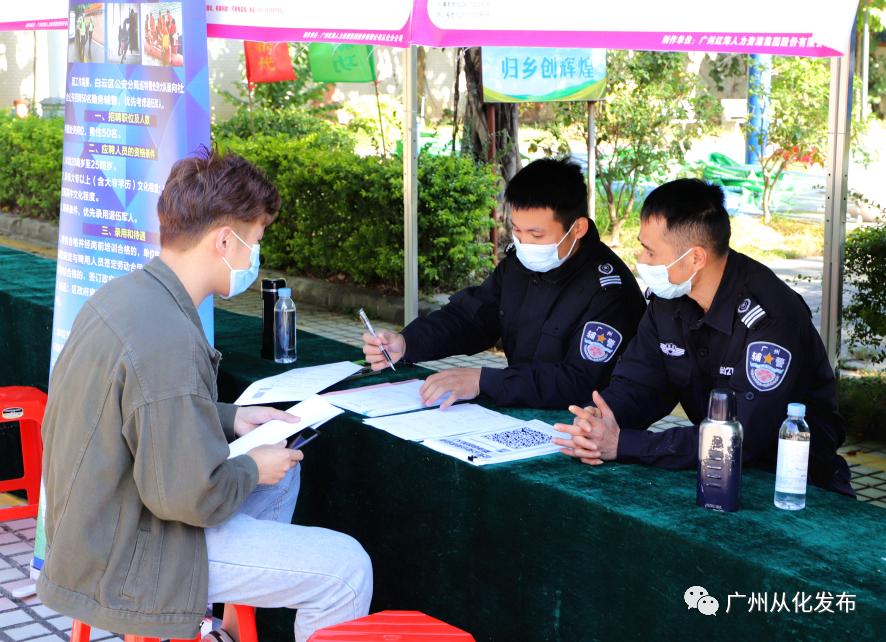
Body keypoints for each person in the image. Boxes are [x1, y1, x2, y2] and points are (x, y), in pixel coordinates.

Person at [37, 148, 373, 642]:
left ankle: (234, 623)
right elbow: (189, 497)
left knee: (280, 477)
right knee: (346, 568)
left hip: (96, 525)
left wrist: (231, 418)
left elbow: (138, 407)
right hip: (131, 554)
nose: (255, 257)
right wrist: (253, 466)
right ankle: (221, 603)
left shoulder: (126, 295)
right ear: (223, 240)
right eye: (255, 240)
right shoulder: (169, 336)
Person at [553, 178, 854, 497]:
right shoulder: (668, 300)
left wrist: (623, 444)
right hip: (714, 475)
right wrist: (600, 419)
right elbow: (640, 385)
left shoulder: (772, 316)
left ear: (695, 258)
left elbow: (743, 436)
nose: (642, 261)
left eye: (650, 251)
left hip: (796, 487)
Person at [362, 158, 646, 409]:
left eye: (537, 235)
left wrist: (485, 381)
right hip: (520, 412)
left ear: (578, 228)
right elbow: (471, 318)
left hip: (583, 429)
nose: (524, 243)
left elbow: (580, 380)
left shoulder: (609, 290)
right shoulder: (519, 264)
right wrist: (407, 343)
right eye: (517, 230)